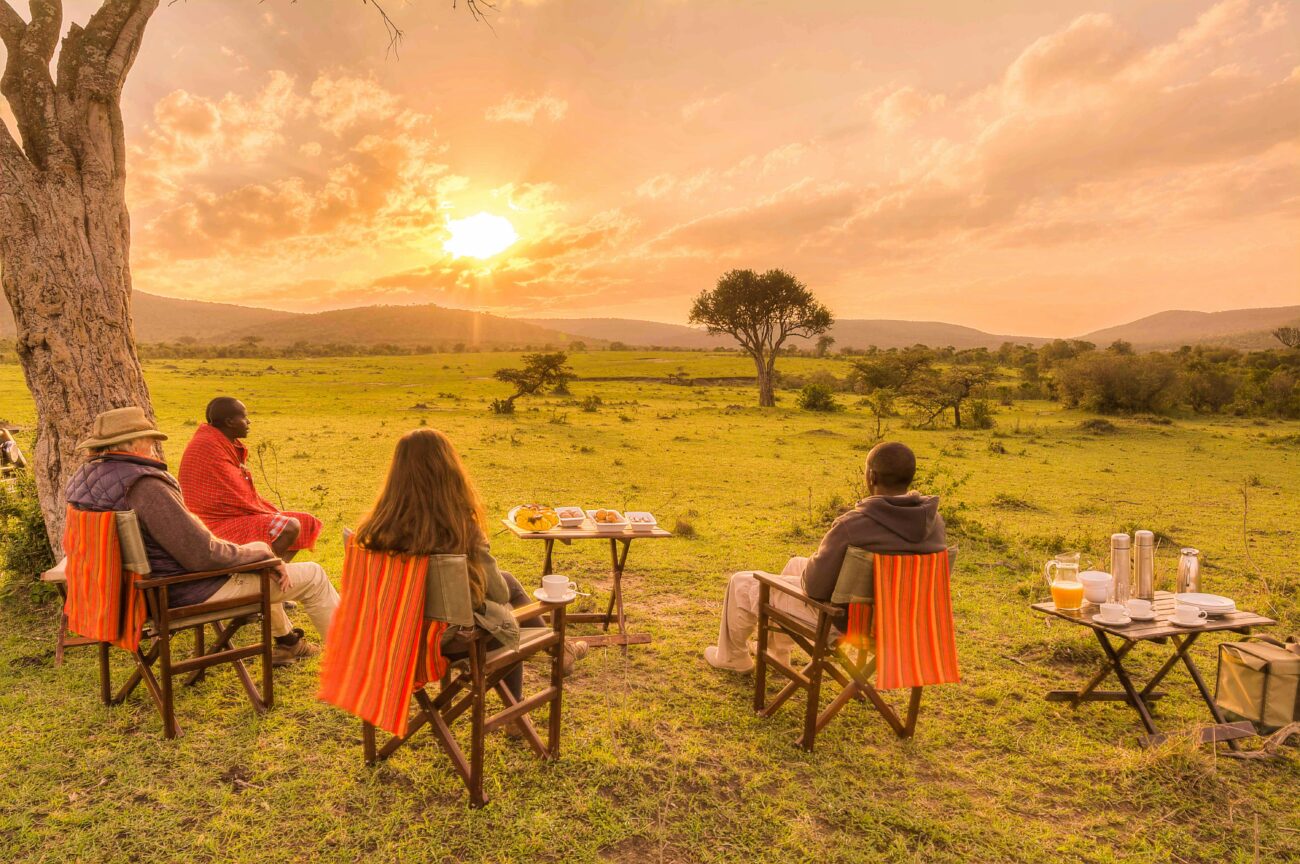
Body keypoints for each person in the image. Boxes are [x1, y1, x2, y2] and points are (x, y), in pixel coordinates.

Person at [65, 407, 339, 666]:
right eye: (149, 440)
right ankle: (353, 663)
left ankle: (287, 641)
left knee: (258, 550)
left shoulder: (84, 478)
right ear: (135, 443)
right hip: (181, 591)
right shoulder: (144, 484)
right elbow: (201, 555)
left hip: (125, 591)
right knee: (312, 575)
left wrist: (259, 553)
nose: (152, 447)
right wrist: (264, 557)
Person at [352, 428, 586, 708]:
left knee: (507, 583)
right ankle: (531, 690)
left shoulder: (374, 529)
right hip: (448, 642)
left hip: (395, 636)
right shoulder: (459, 530)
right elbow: (497, 594)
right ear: (449, 471)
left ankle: (563, 650)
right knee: (503, 622)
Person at [704, 441, 949, 672]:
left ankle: (733, 658)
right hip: (899, 625)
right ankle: (777, 655)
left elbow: (814, 587)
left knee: (742, 582)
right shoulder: (934, 523)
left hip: (846, 624)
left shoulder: (854, 524)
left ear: (871, 476)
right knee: (794, 565)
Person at [178, 396, 324, 663]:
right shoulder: (208, 446)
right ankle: (267, 589)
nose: (248, 422)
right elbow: (231, 496)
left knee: (304, 521)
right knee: (287, 526)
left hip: (218, 521)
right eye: (244, 417)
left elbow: (234, 492)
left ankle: (273, 583)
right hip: (212, 525)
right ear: (229, 421)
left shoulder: (218, 441)